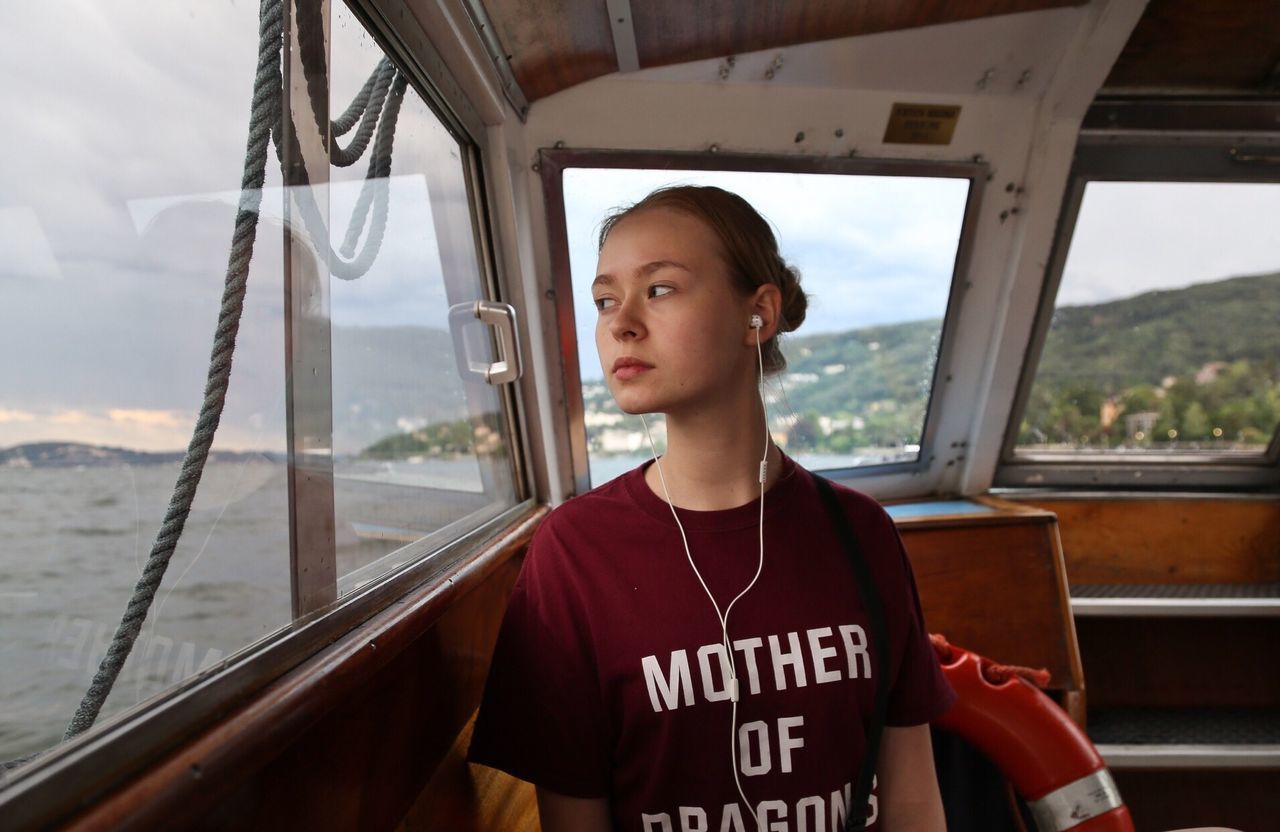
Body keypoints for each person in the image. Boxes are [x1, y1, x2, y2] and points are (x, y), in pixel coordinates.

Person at [469, 185, 954, 832]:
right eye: (605, 300)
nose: (621, 322)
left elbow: (912, 797)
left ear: (759, 313)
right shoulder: (573, 554)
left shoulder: (861, 532)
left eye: (660, 289)